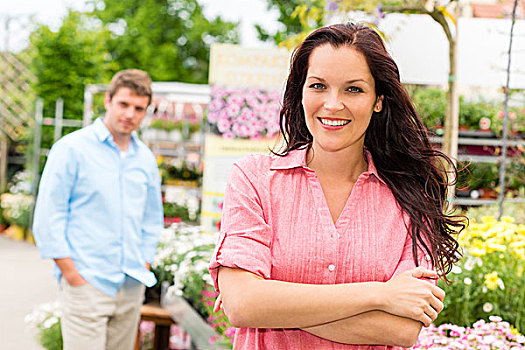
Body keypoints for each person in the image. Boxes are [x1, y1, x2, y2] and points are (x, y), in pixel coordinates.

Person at [209, 23, 465, 349]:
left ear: (379, 100)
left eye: (353, 89)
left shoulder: (412, 194)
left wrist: (271, 304)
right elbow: (243, 305)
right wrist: (380, 294)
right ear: (300, 91)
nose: (333, 104)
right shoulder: (254, 179)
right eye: (318, 86)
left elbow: (401, 329)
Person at [33, 69, 163, 350]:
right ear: (108, 100)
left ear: (146, 111)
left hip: (131, 283)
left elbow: (152, 220)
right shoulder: (71, 149)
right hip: (86, 281)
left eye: (139, 108)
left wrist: (145, 262)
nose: (130, 114)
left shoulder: (146, 160)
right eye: (123, 104)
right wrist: (72, 274)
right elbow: (48, 215)